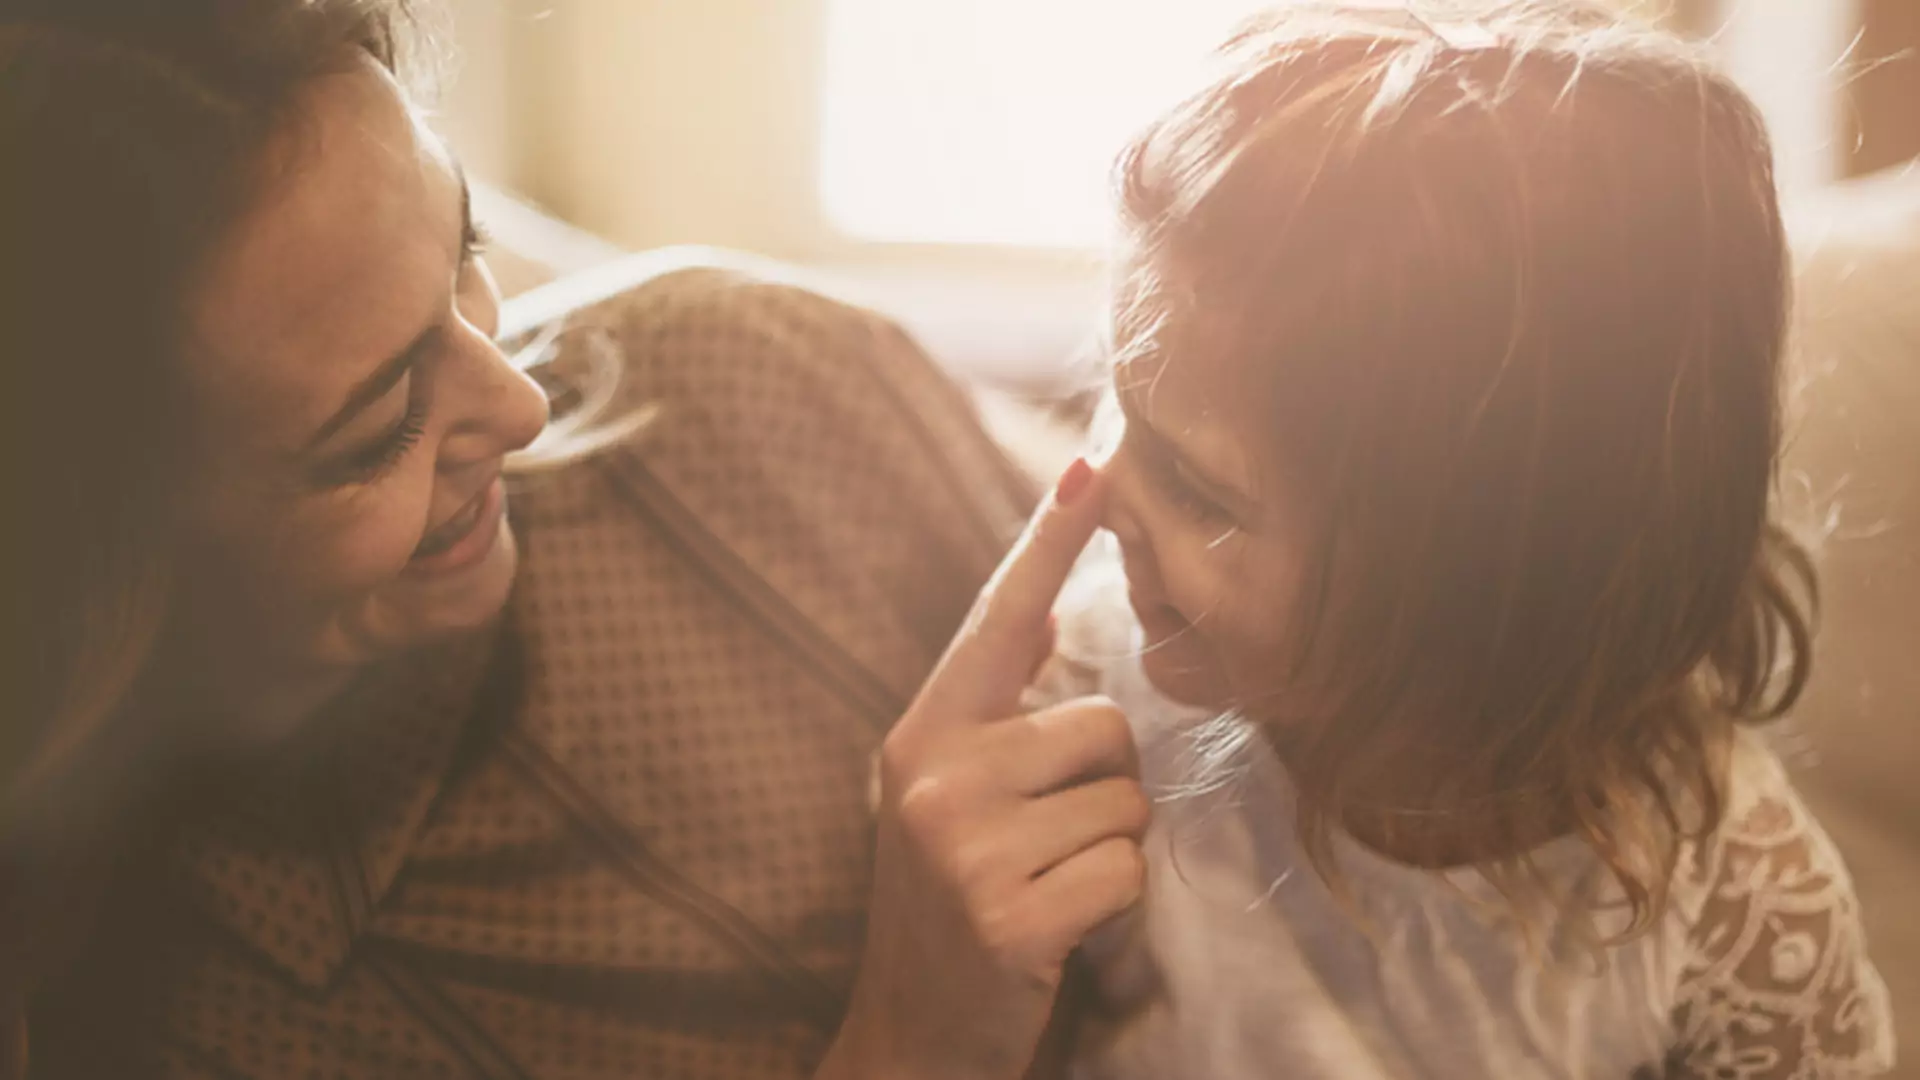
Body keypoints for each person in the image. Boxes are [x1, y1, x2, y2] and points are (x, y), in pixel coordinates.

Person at [0, 3, 1147, 1077]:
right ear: (105, 573)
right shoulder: (168, 1027)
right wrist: (914, 1042)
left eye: (465, 256)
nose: (522, 406)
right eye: (378, 429)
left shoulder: (740, 379)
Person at [1033, 4, 1898, 1078]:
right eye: (1118, 414)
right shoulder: (1083, 706)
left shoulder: (1735, 908)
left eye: (1197, 489)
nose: (1093, 494)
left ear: (1485, 592)